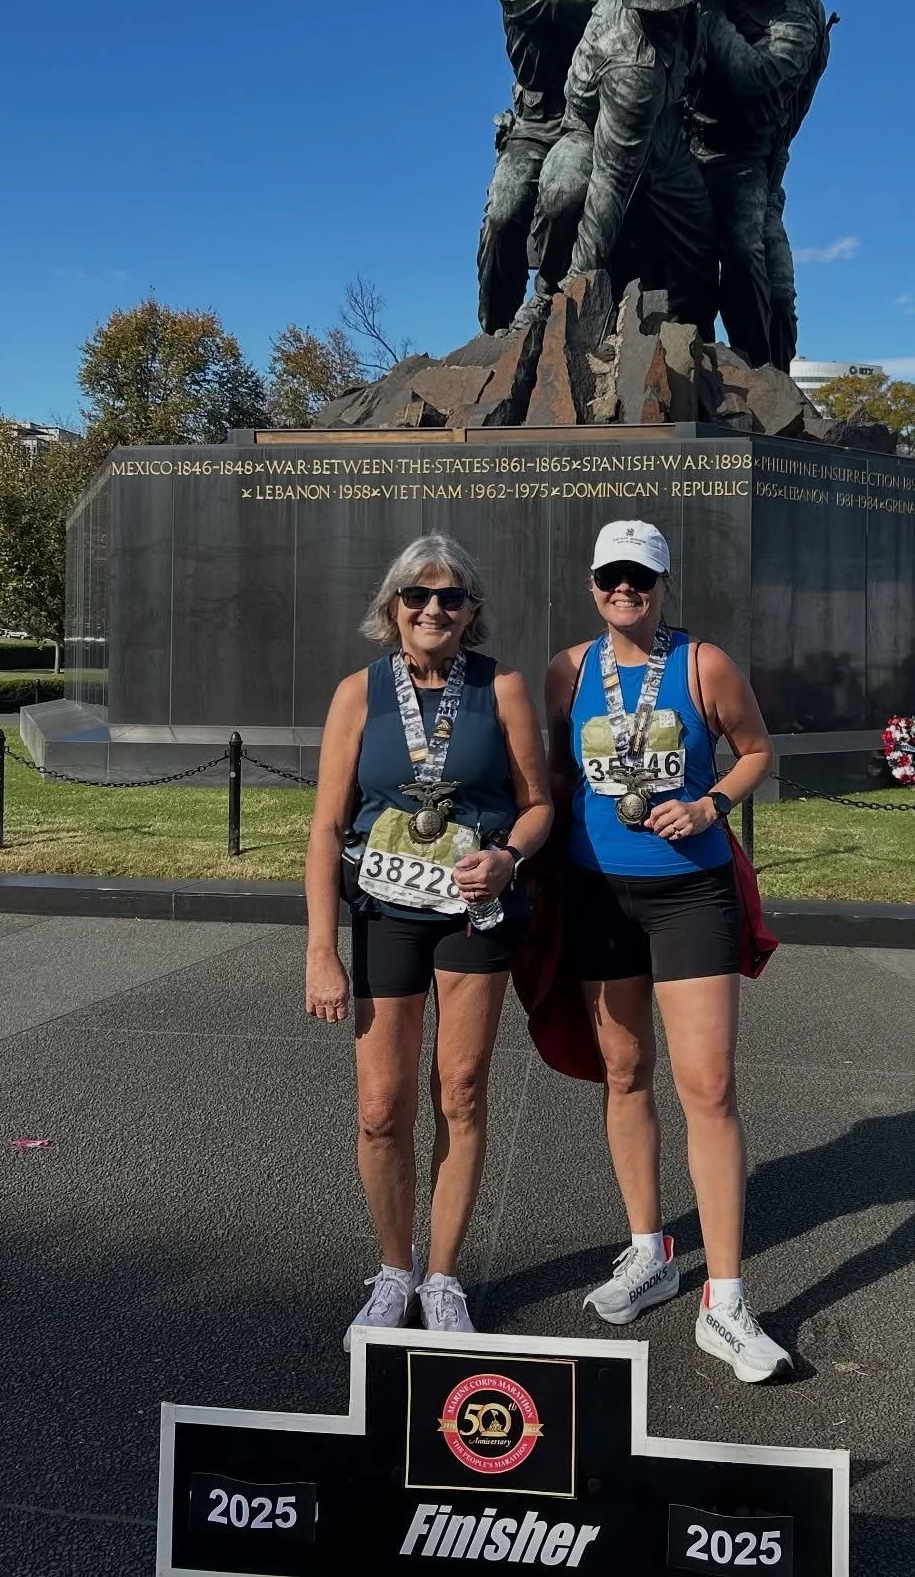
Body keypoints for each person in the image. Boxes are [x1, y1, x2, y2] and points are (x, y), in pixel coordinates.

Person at [543, 520, 785, 1382]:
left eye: (640, 579)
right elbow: (557, 779)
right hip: (599, 892)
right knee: (623, 1071)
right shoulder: (568, 671)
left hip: (691, 890)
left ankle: (725, 1299)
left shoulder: (701, 664)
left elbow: (758, 750)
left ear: (664, 585)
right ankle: (650, 1250)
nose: (625, 591)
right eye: (612, 576)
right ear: (593, 583)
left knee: (709, 1084)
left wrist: (712, 803)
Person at [305, 534, 552, 1339]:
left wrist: (509, 857)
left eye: (450, 596)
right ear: (392, 607)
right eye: (417, 595)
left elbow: (538, 804)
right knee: (381, 1107)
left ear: (472, 610)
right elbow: (326, 826)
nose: (433, 608)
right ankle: (392, 1270)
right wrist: (320, 949)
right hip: (382, 914)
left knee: (462, 1091)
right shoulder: (359, 693)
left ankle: (443, 1278)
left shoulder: (503, 686)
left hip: (473, 915)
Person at [477, 0, 782, 334]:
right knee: (510, 209)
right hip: (547, 124)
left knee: (692, 229)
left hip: (644, 120)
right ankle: (506, 328)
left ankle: (689, 339)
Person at [522, 0, 721, 333]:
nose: (674, 15)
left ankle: (694, 349)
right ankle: (546, 294)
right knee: (564, 189)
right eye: (664, 9)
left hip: (662, 126)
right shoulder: (630, 64)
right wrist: (580, 288)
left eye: (681, 4)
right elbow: (609, 186)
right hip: (592, 131)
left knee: (700, 234)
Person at [689, 0, 829, 370]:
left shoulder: (797, 22)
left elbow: (749, 75)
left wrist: (707, 11)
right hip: (685, 138)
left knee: (748, 249)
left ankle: (760, 369)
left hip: (746, 155)